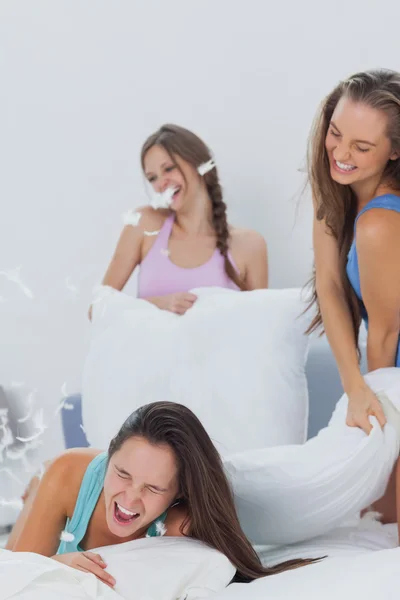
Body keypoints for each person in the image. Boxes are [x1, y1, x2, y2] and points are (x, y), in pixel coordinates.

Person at [7, 402, 311, 587]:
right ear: (111, 453)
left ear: (179, 492)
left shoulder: (180, 526)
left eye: (153, 488)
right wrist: (59, 563)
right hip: (61, 476)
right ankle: (38, 481)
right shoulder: (68, 476)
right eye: (122, 474)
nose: (129, 499)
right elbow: (10, 574)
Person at [307, 68, 400, 435]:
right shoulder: (332, 186)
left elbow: (385, 334)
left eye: (361, 147)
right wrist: (354, 387)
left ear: (395, 151)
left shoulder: (379, 222)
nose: (341, 153)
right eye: (335, 133)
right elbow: (328, 284)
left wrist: (377, 405)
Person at [96, 124, 268, 316]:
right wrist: (161, 304)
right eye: (152, 178)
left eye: (169, 169)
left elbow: (259, 329)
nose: (161, 184)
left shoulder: (250, 245)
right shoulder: (143, 225)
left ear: (199, 165)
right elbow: (98, 308)